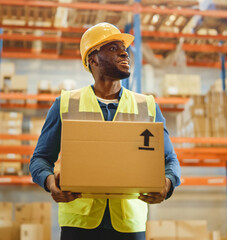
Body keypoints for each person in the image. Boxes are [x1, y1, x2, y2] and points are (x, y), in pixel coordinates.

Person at [30, 22, 181, 240]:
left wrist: (167, 183)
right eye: (113, 48)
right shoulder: (65, 103)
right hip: (79, 224)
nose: (124, 53)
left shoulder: (147, 106)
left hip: (129, 225)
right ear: (92, 59)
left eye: (124, 48)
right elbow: (40, 159)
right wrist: (50, 182)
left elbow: (170, 160)